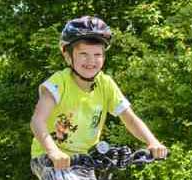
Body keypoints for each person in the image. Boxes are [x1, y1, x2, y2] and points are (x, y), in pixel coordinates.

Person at [30, 16, 168, 180]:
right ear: (68, 56)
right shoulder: (58, 84)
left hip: (87, 161)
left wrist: (152, 142)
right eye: (83, 54)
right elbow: (37, 121)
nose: (91, 61)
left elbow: (130, 119)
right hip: (49, 158)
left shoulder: (105, 84)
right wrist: (53, 152)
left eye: (97, 54)